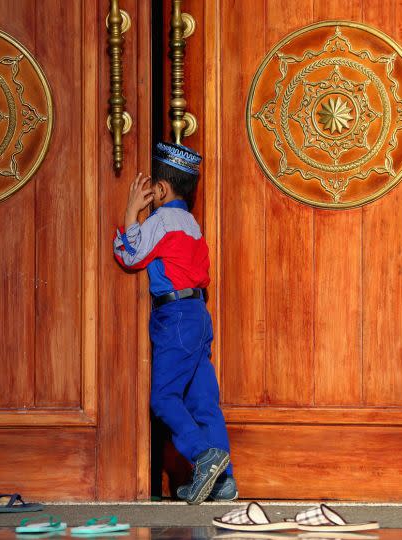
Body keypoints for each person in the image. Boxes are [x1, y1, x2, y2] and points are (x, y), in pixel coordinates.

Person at [113, 141, 236, 505]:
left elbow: (130, 255)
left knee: (164, 398)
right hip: (198, 314)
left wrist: (131, 212)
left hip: (176, 317)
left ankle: (203, 455)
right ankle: (223, 481)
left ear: (161, 190)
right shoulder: (192, 223)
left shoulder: (162, 220)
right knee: (203, 401)